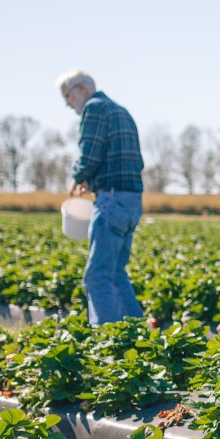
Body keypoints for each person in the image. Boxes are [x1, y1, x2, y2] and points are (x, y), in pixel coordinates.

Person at [57, 70, 146, 325]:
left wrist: (76, 180)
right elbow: (130, 160)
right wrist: (95, 182)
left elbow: (89, 154)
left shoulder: (94, 109)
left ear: (82, 89)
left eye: (68, 96)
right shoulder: (121, 111)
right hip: (131, 200)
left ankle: (107, 343)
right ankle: (137, 336)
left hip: (112, 201)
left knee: (96, 277)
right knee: (116, 274)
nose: (68, 103)